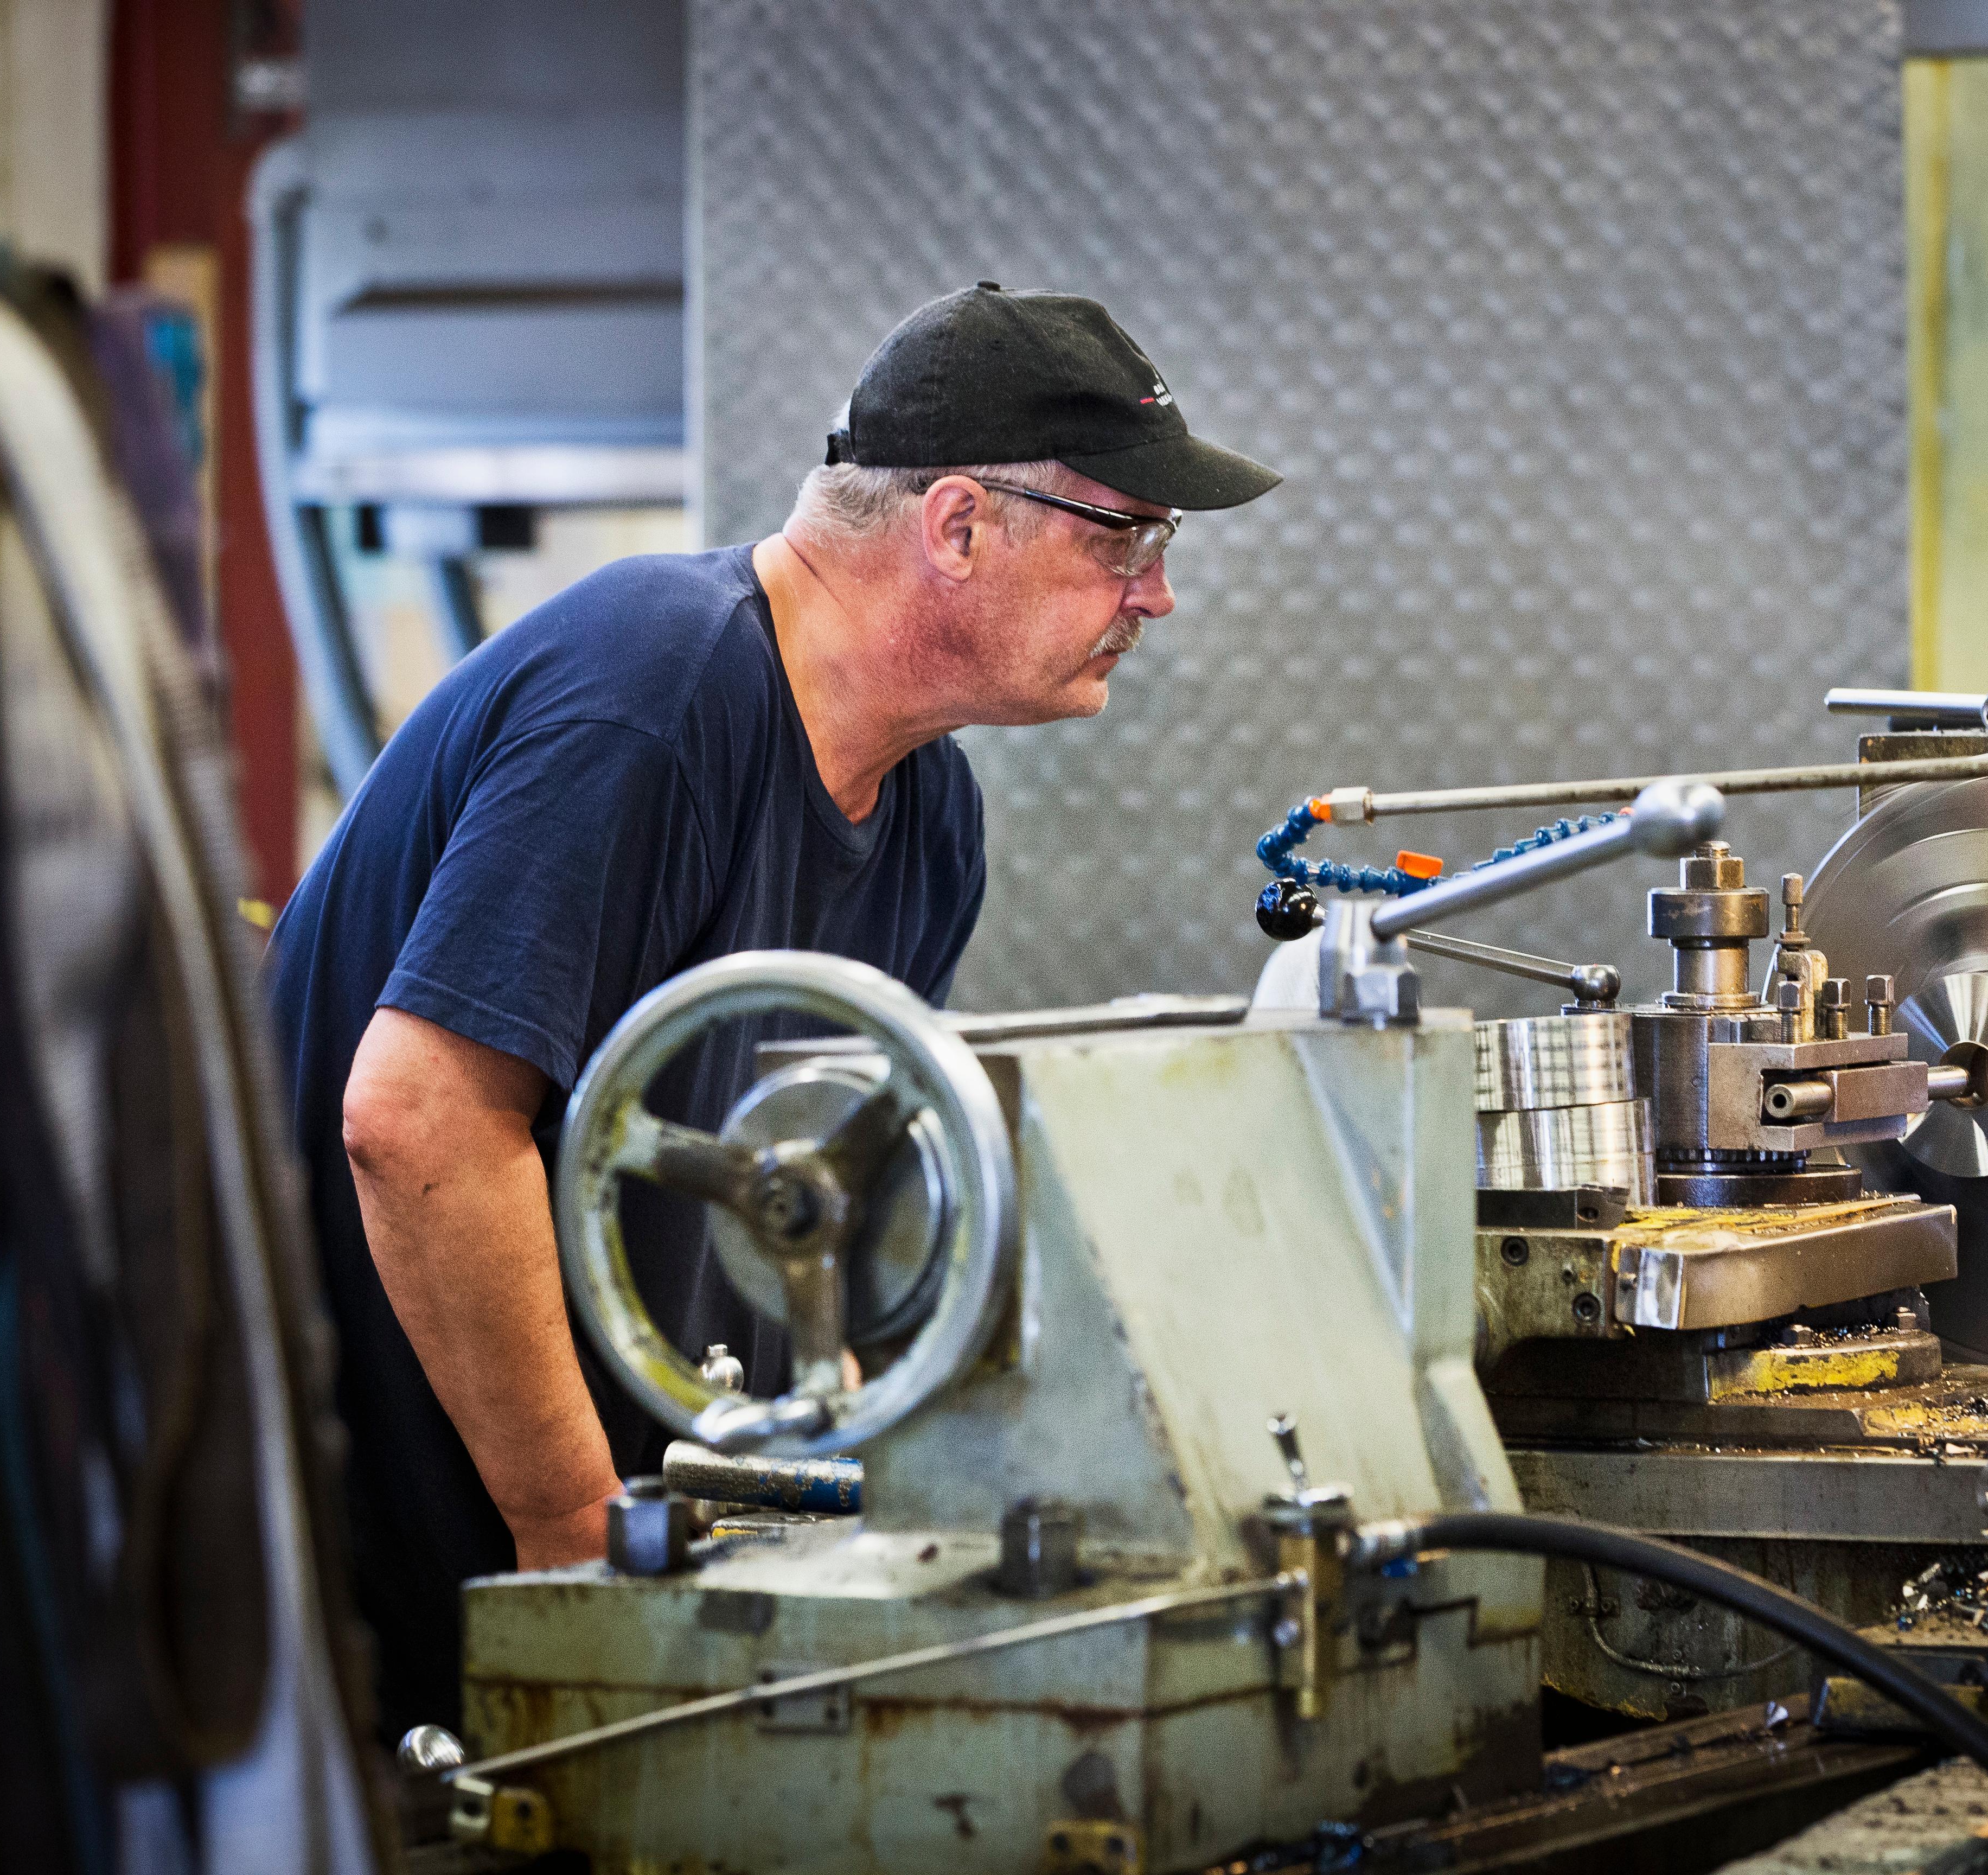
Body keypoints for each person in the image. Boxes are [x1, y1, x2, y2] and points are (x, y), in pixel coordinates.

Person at [263, 284, 1280, 1736]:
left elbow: (805, 1205)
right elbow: (416, 1124)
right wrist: (570, 1538)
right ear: (959, 528)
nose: (1156, 592)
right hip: (351, 1584)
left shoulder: (931, 819)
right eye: (1123, 536)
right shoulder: (654, 688)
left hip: (607, 1560)